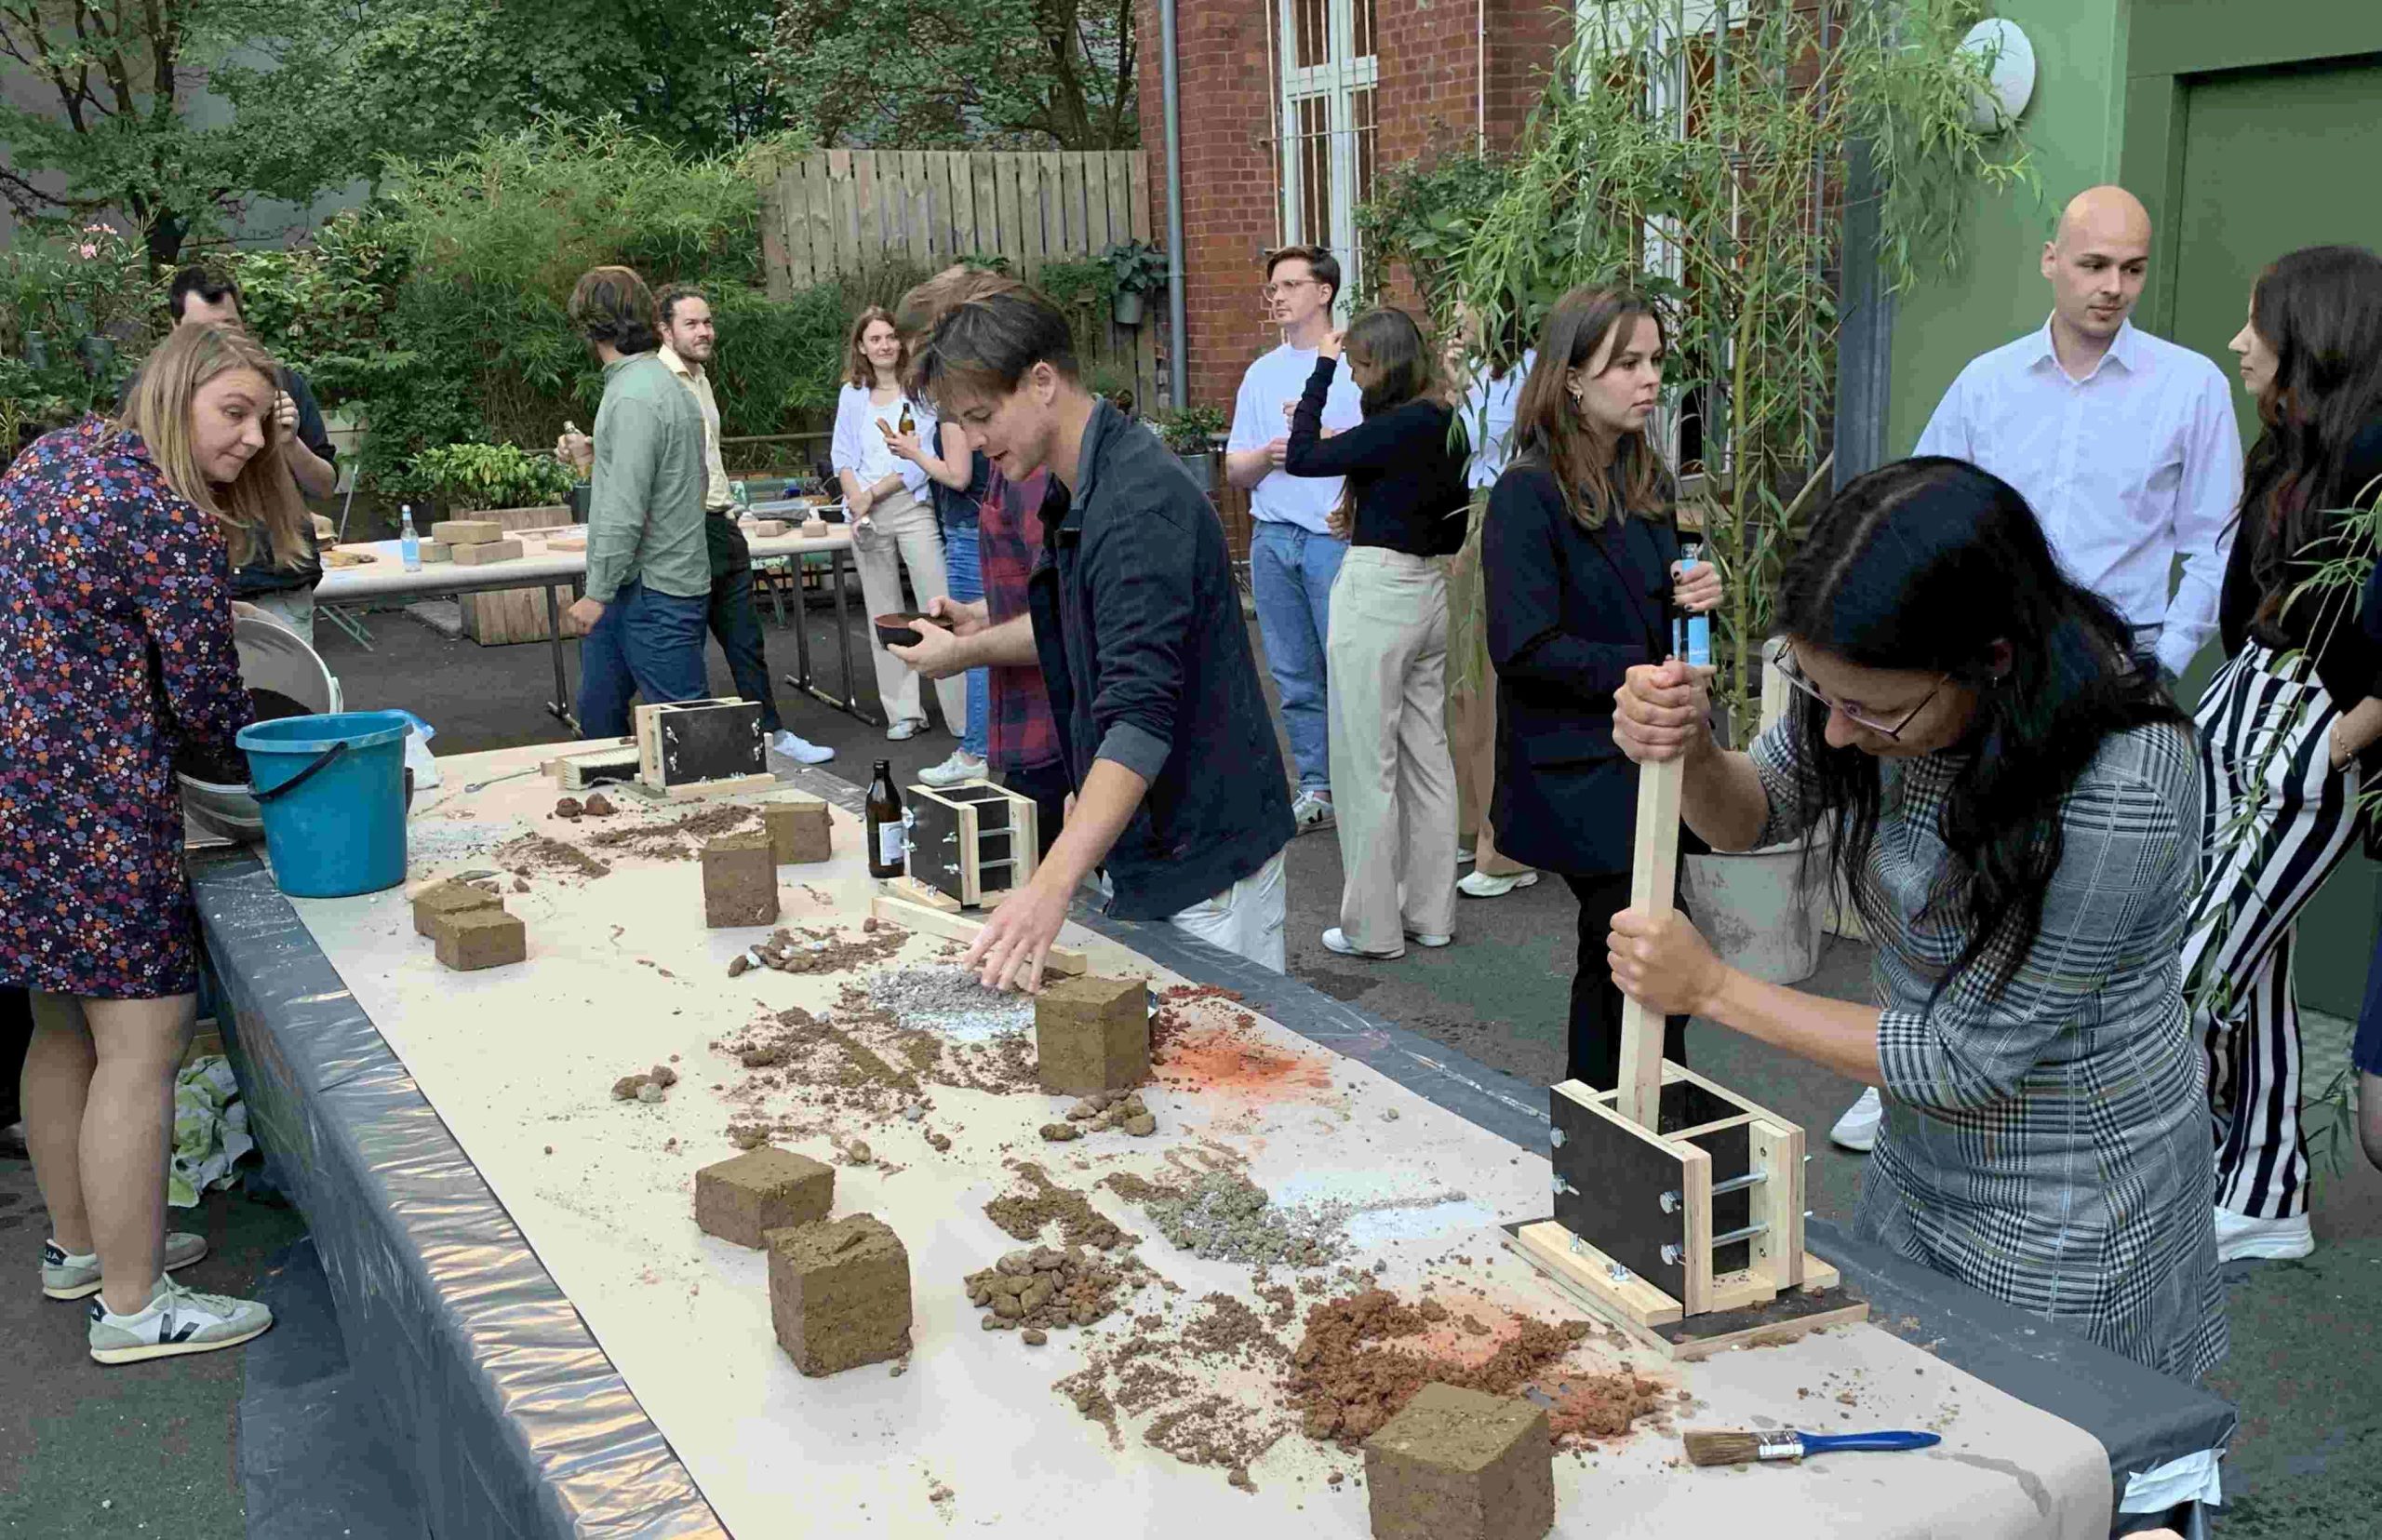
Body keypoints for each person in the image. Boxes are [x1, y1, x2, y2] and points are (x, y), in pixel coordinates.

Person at [1607, 455, 2227, 1386]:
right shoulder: (1877, 689)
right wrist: (1694, 750)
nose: (1836, 734)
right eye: (1822, 695)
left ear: (1992, 659)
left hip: (2070, 1204)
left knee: (2062, 1453)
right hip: (1917, 1163)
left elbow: (1963, 1056)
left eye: (1871, 710)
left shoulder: (2119, 779)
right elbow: (1752, 812)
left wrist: (1712, 988)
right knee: (1921, 1404)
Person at [1828, 183, 2243, 1153]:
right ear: (2052, 260)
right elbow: (1921, 508)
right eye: (2094, 265)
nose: (2113, 287)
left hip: (2109, 675)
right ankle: (1895, 1067)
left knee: (2075, 879)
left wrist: (2163, 657)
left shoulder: (2189, 389)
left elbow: (2213, 542)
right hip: (1982, 670)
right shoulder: (1985, 383)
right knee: (1937, 863)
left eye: (2132, 269)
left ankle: (2051, 1091)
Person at [0, 322, 298, 1363]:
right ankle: (135, 1305)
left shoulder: (52, 455)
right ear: (176, 392)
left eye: (266, 418)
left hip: (16, 790)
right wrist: (278, 767)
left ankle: (82, 1247)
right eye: (235, 411)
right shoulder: (167, 513)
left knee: (60, 1027)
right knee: (144, 1042)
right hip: (95, 803)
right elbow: (213, 700)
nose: (255, 437)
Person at [890, 284, 1295, 983]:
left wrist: (1050, 885)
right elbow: (1094, 635)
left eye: (983, 416)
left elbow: (1140, 717)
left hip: (1204, 858)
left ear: (1042, 380)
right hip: (1155, 839)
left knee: (1229, 1079)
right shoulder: (1078, 486)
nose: (977, 443)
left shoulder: (1135, 506)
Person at [2181, 244, 2382, 1263]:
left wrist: (2353, 727)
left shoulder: (2376, 455)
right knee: (2249, 974)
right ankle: (2265, 1194)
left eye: (2252, 321)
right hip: (2244, 704)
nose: (2236, 342)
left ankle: (2111, 1180)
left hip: (2311, 729)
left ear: (2308, 331)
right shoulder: (2295, 447)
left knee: (2188, 972)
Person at [1485, 288, 1720, 1088]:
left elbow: (1664, 626)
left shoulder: (1648, 483)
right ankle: (1618, 1134)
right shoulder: (1528, 492)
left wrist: (1696, 607)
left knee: (1634, 961)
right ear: (1573, 379)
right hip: (1576, 764)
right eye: (1628, 362)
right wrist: (1640, 667)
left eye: (1655, 360)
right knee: (1638, 953)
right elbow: (1522, 646)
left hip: (1648, 758)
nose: (1650, 379)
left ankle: (1628, 1130)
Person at [1282, 307, 1468, 958]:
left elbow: (1300, 454)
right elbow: (1452, 526)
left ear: (1379, 363)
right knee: (1427, 758)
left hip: (1376, 595)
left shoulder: (1393, 424)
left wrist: (1321, 368)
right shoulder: (1446, 421)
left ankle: (1373, 928)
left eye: (1359, 363)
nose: (1354, 374)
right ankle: (1432, 915)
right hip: (1429, 592)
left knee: (1367, 766)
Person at [651, 284, 835, 765]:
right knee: (683, 651)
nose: (704, 331)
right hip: (682, 531)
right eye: (691, 323)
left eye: (707, 322)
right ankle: (689, 753)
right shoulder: (656, 382)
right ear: (664, 330)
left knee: (746, 642)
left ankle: (772, 735)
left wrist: (733, 511)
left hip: (721, 523)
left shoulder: (701, 378)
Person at [1225, 245, 1363, 834]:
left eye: (1289, 285)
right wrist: (1269, 453)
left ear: (1324, 292)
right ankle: (1317, 788)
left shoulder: (1357, 365)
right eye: (1272, 288)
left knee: (1349, 671)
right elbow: (1234, 470)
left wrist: (1325, 440)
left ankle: (1362, 788)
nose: (1277, 296)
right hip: (1272, 537)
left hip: (1334, 537)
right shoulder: (1261, 372)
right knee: (1292, 674)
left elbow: (1384, 448)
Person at [560, 267, 712, 736]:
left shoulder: (632, 397)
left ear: (590, 326)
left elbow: (626, 511)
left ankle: (714, 808)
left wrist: (596, 593)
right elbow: (671, 483)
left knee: (688, 734)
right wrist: (594, 461)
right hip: (643, 583)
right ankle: (609, 803)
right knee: (599, 713)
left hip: (651, 590)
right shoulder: (665, 384)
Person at [156, 267, 340, 640]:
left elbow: (326, 485)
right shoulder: (147, 399)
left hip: (277, 584)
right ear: (175, 329)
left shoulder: (286, 383)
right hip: (195, 592)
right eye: (234, 412)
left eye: (230, 327)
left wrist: (289, 444)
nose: (254, 440)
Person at [833, 307, 970, 743]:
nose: (885, 345)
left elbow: (919, 462)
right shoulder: (852, 394)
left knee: (938, 608)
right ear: (861, 347)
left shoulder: (921, 393)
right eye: (875, 339)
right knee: (884, 613)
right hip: (866, 515)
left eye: (891, 336)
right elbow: (842, 456)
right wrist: (857, 498)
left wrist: (873, 492)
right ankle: (904, 712)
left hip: (911, 508)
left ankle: (963, 717)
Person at [1446, 305, 1541, 901]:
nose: (1455, 314)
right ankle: (1468, 819)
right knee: (1457, 681)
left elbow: (1514, 445)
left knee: (1487, 682)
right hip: (1466, 520)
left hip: (1504, 514)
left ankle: (1504, 848)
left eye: (1466, 302)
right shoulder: (1474, 370)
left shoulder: (1532, 370)